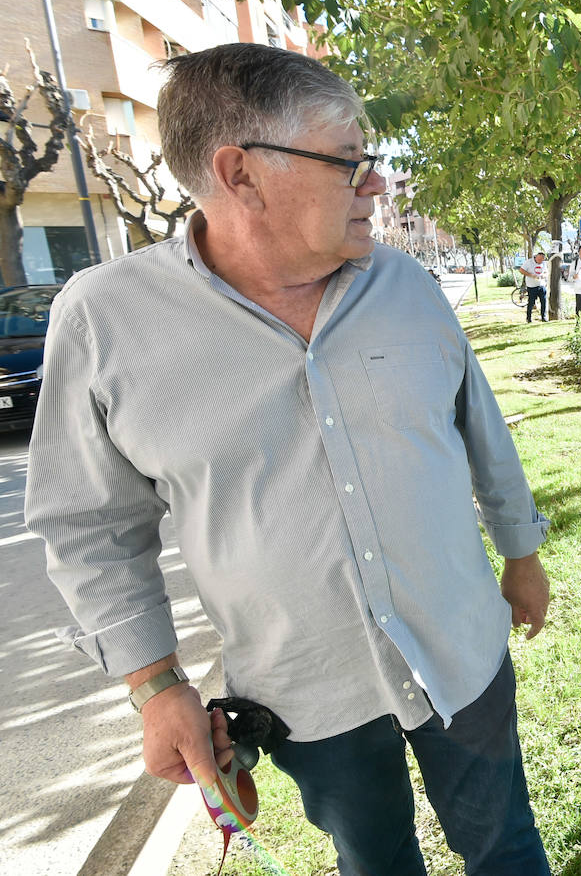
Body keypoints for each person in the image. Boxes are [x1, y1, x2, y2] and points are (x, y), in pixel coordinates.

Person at [25, 44, 554, 876]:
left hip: (463, 650)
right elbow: (88, 526)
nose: (375, 182)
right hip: (307, 691)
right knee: (375, 863)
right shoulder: (104, 323)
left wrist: (521, 556)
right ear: (241, 174)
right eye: (349, 161)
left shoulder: (406, 285)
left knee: (505, 846)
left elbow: (478, 427)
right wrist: (156, 685)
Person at [519, 251, 549, 322]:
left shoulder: (544, 263)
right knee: (531, 303)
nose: (540, 261)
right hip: (531, 286)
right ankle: (529, 318)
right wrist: (531, 275)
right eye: (539, 259)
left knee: (543, 302)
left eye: (542, 260)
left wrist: (544, 276)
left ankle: (543, 317)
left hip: (541, 285)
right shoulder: (529, 262)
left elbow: (546, 272)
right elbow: (521, 270)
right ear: (536, 257)